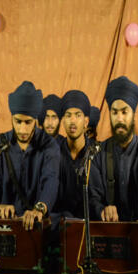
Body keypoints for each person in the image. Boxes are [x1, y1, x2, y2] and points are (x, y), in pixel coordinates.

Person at [89, 76, 138, 231]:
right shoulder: (98, 153)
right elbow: (93, 196)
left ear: (134, 115)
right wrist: (102, 210)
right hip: (109, 231)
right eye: (114, 112)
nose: (119, 119)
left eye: (124, 112)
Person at [0, 81, 60, 231]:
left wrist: (39, 209)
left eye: (28, 122)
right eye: (18, 121)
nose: (22, 129)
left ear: (36, 120)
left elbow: (51, 181)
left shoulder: (49, 145)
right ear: (11, 118)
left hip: (38, 226)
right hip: (5, 226)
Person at [54, 90, 92, 220]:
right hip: (58, 224)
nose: (73, 121)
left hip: (89, 225)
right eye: (68, 115)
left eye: (78, 115)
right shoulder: (54, 153)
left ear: (86, 121)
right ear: (63, 121)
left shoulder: (96, 154)